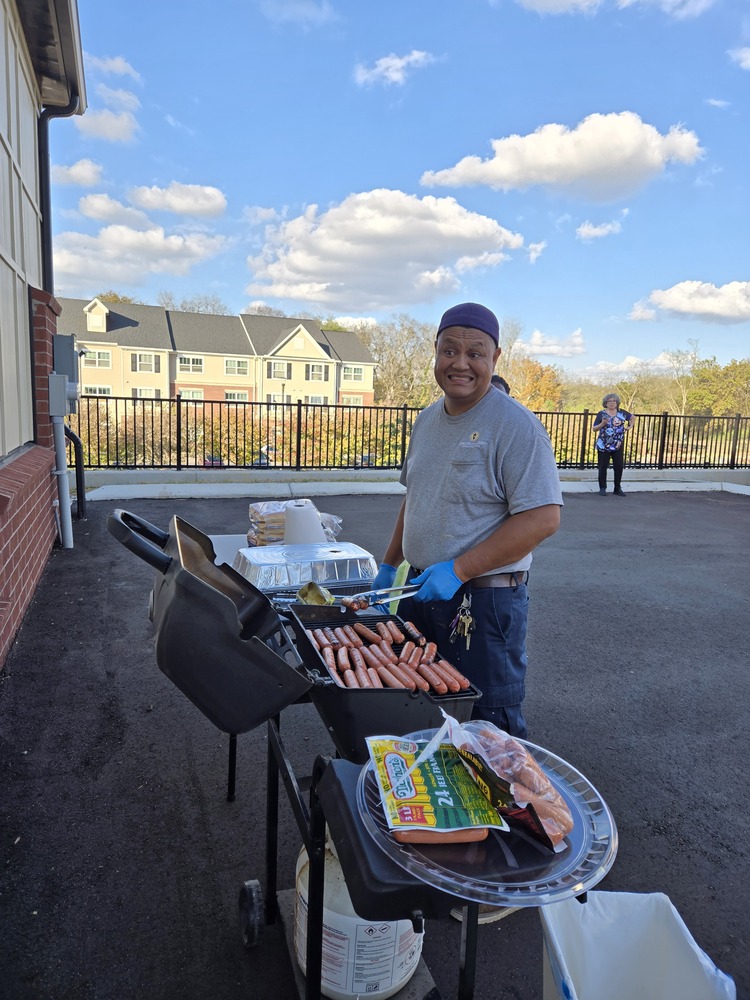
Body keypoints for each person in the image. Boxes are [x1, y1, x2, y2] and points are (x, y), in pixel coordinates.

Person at [373, 302, 562, 743]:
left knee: (486, 722)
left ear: (495, 359)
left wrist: (459, 569)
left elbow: (542, 518)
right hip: (419, 591)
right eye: (449, 350)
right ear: (435, 354)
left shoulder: (516, 426)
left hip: (483, 603)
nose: (460, 363)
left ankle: (508, 809)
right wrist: (388, 566)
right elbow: (416, 498)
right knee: (416, 704)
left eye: (475, 353)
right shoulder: (425, 420)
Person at [592, 394, 634, 496]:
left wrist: (630, 426)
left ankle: (617, 488)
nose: (612, 403)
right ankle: (602, 488)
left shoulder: (622, 413)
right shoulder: (601, 414)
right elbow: (594, 429)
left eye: (614, 401)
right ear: (605, 403)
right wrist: (602, 423)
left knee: (618, 466)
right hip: (604, 445)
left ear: (617, 403)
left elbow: (633, 417)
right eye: (609, 401)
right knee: (603, 467)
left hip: (617, 444)